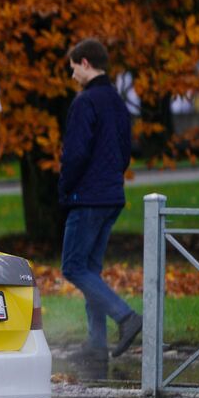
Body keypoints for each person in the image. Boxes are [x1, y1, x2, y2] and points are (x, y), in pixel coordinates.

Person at [58, 38, 142, 364]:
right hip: (111, 196)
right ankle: (96, 343)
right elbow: (124, 153)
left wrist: (65, 189)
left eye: (73, 69)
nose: (73, 76)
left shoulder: (85, 102)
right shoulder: (117, 102)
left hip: (87, 197)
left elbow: (76, 154)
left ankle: (125, 317)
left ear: (85, 63)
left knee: (73, 266)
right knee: (90, 268)